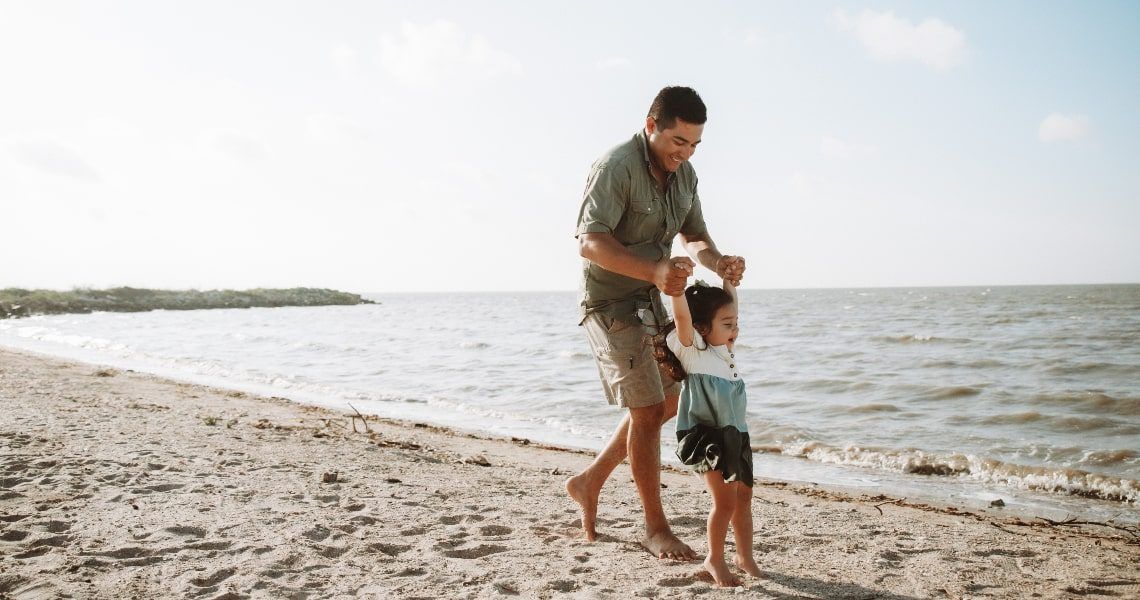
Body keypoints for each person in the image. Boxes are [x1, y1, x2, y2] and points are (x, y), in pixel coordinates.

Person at [565, 85, 746, 560]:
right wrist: (654, 270)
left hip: (651, 298)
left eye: (693, 146)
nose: (684, 154)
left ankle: (589, 481)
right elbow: (589, 242)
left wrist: (718, 262)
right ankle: (654, 528)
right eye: (677, 142)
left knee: (667, 400)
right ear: (652, 126)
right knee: (647, 410)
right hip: (608, 302)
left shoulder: (685, 175)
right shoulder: (615, 167)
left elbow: (695, 235)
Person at [655, 279, 759, 587]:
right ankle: (714, 558)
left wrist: (728, 279)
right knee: (725, 501)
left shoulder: (722, 353)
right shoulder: (695, 351)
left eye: (736, 324)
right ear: (702, 328)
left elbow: (731, 306)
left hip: (735, 435)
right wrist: (675, 291)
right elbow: (683, 318)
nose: (734, 330)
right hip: (706, 436)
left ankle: (745, 557)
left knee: (743, 499)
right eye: (727, 324)